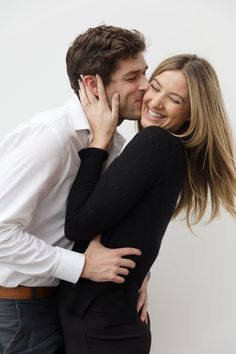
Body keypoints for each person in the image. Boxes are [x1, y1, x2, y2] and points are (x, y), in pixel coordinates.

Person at [58, 54, 236, 354]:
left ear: (191, 114)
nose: (155, 102)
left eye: (175, 99)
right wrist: (141, 275)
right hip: (110, 322)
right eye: (155, 87)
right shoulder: (168, 152)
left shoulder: (156, 142)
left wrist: (99, 142)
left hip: (103, 328)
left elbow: (77, 224)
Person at [0, 25, 151, 354]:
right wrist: (80, 266)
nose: (146, 86)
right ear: (91, 84)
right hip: (19, 310)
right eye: (131, 77)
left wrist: (141, 274)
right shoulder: (51, 137)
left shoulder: (116, 145)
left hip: (61, 304)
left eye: (145, 73)